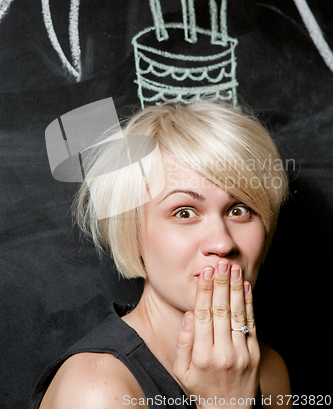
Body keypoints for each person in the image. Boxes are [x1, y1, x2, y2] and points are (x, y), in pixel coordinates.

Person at [29, 100, 291, 409]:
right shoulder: (95, 390)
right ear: (134, 233)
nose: (222, 244)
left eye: (239, 209)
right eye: (184, 213)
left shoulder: (269, 371)